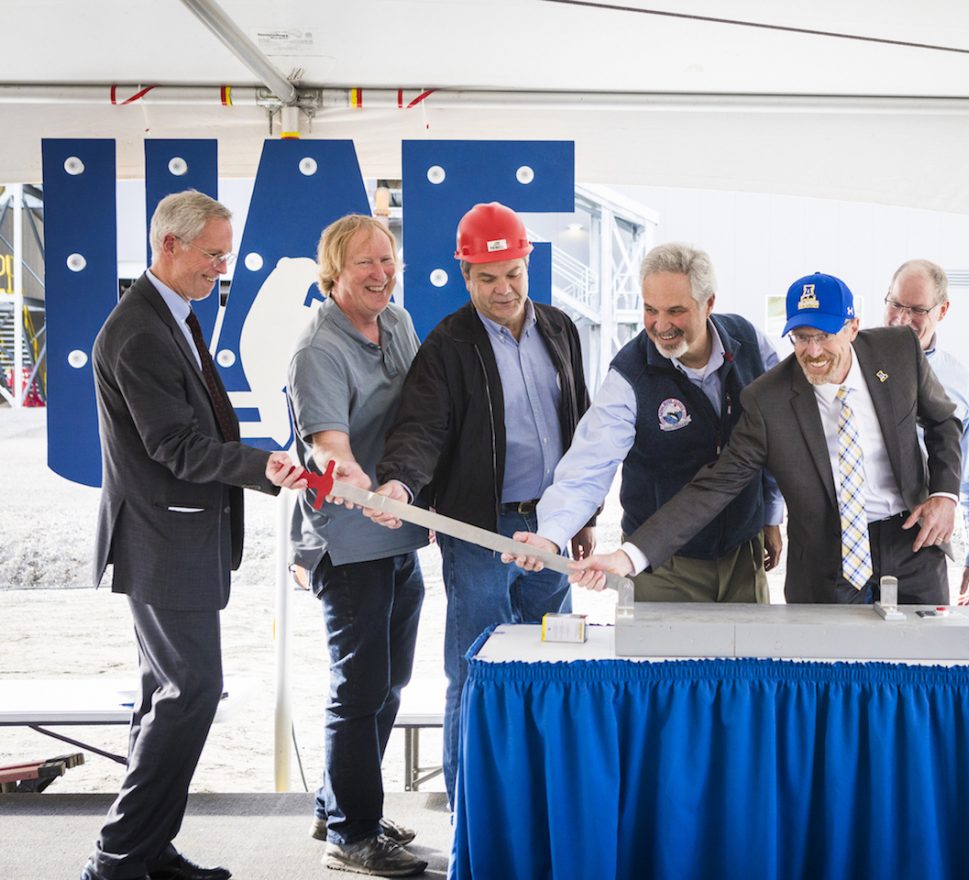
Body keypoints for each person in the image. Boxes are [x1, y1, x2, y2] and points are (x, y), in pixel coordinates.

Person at [84, 191, 307, 880]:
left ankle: (148, 850)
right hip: (162, 538)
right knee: (191, 692)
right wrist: (262, 465)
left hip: (177, 536)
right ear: (169, 246)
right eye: (212, 254)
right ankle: (117, 856)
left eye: (225, 254)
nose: (221, 267)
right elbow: (176, 446)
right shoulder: (140, 332)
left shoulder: (175, 315)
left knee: (167, 695)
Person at [373, 201, 594, 806]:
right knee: (476, 667)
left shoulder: (560, 329)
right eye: (488, 278)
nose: (503, 289)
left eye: (513, 274)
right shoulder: (448, 344)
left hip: (550, 526)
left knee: (551, 660)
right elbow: (421, 429)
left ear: (528, 264)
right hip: (480, 531)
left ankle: (538, 796)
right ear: (466, 277)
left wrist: (582, 519)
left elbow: (580, 428)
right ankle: (470, 804)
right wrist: (399, 483)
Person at [571, 271, 963, 606]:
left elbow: (944, 421)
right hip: (827, 563)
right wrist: (630, 556)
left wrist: (945, 495)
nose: (812, 352)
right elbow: (714, 486)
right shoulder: (768, 399)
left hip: (911, 543)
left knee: (927, 676)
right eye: (801, 337)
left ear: (852, 327)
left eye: (824, 336)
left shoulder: (897, 351)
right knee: (831, 686)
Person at [508, 242, 783, 602]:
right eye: (650, 309)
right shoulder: (630, 375)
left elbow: (774, 435)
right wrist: (552, 533)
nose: (661, 325)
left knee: (748, 659)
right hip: (661, 565)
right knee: (664, 660)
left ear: (709, 304)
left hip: (742, 555)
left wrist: (771, 514)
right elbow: (589, 464)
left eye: (676, 311)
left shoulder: (749, 342)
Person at [286, 216, 427, 876]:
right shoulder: (319, 349)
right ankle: (351, 835)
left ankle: (339, 804)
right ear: (334, 272)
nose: (382, 273)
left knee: (391, 679)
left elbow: (424, 406)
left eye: (388, 260)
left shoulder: (395, 323)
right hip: (344, 539)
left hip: (395, 529)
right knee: (360, 685)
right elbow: (326, 440)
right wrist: (344, 467)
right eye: (366, 264)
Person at [883, 259, 969, 604]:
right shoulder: (852, 360)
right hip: (854, 536)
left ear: (942, 310)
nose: (903, 318)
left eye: (917, 310)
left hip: (925, 539)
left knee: (923, 650)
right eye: (895, 305)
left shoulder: (960, 380)